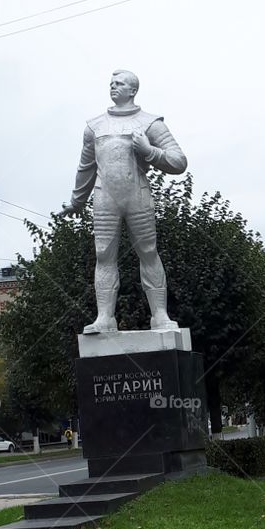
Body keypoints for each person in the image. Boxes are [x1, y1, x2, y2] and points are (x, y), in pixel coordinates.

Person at [62, 70, 188, 334]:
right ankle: (105, 318)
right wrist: (76, 201)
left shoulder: (150, 123)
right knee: (103, 255)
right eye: (111, 84)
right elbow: (86, 167)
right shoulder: (94, 126)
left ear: (133, 90)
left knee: (148, 252)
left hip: (137, 194)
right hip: (105, 197)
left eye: (119, 84)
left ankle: (161, 316)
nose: (113, 87)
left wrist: (149, 151)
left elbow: (178, 162)